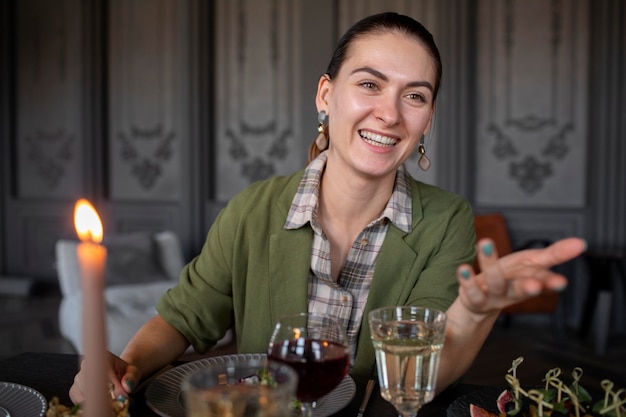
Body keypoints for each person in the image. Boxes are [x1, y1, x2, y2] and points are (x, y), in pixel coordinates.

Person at [70, 12, 585, 403]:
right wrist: (125, 368)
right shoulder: (253, 208)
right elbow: (183, 320)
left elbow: (418, 376)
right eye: (369, 84)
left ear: (427, 120)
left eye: (415, 96)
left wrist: (474, 313)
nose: (388, 113)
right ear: (325, 94)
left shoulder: (447, 220)